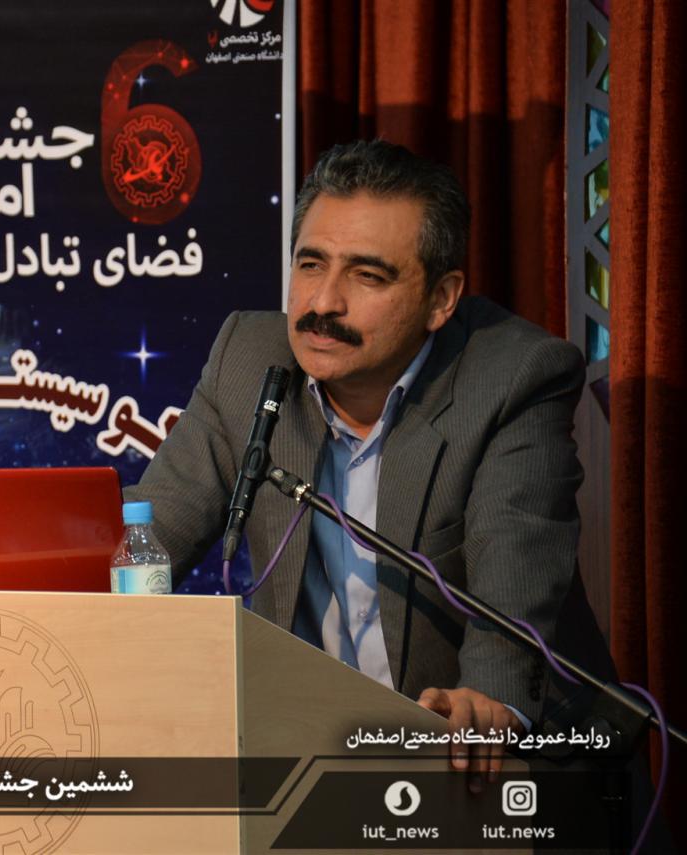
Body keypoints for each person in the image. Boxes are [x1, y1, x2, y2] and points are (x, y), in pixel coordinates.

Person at [127, 139, 612, 788]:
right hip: (310, 760)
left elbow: (515, 572)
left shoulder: (512, 377)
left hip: (488, 775)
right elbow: (148, 538)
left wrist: (487, 700)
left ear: (441, 299)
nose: (323, 302)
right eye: (310, 265)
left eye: (367, 276)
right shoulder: (249, 358)